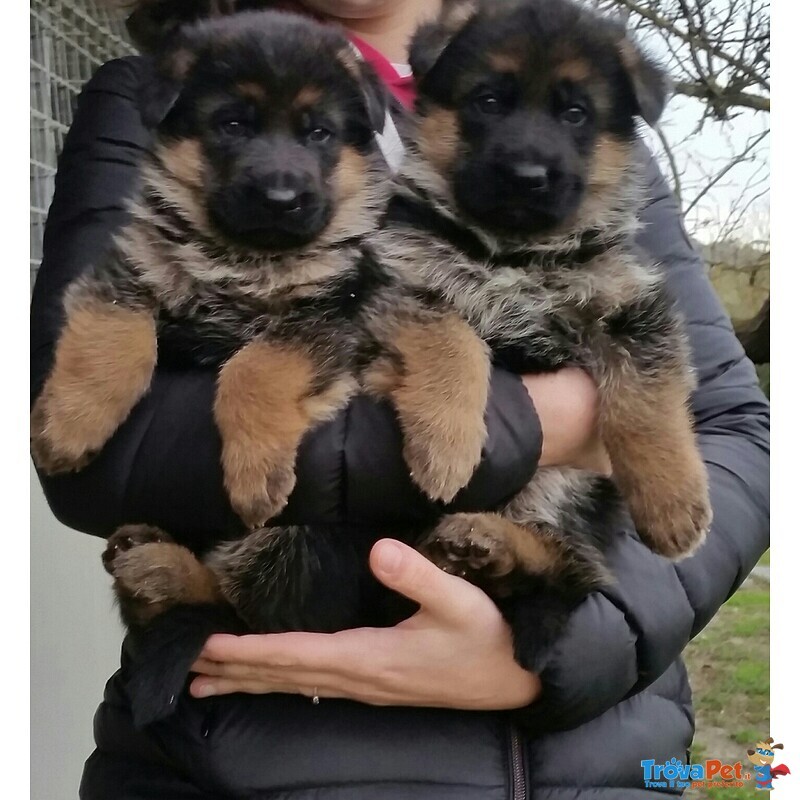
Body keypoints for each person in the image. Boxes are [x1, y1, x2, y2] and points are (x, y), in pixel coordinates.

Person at [30, 1, 770, 797]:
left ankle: (537, 577)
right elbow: (83, 442)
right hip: (246, 744)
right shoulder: (158, 87)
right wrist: (537, 424)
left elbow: (734, 427)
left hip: (594, 751)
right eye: (488, 103)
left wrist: (570, 657)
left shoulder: (598, 157)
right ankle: (208, 600)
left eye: (573, 114)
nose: (529, 154)